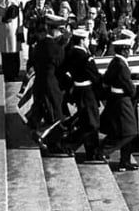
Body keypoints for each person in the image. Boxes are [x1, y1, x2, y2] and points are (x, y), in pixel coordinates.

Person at [41, 29, 103, 160]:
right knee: (92, 123)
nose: (88, 42)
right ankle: (67, 143)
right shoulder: (85, 57)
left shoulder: (69, 53)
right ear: (81, 41)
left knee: (86, 121)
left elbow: (63, 72)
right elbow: (95, 77)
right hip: (87, 93)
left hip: (77, 91)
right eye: (86, 39)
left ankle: (92, 152)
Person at [98, 39, 139, 171]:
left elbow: (106, 79)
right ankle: (103, 150)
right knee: (129, 132)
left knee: (122, 130)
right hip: (122, 100)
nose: (130, 52)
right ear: (124, 50)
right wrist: (134, 90)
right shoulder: (121, 65)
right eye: (129, 49)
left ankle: (125, 160)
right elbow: (129, 88)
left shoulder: (115, 62)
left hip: (116, 98)